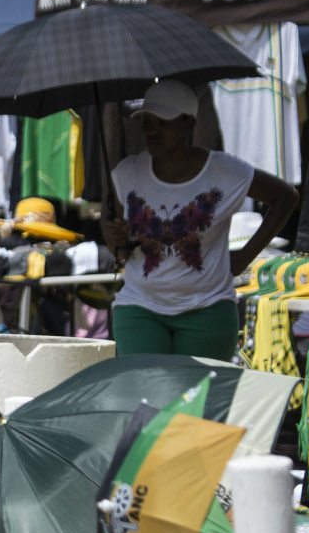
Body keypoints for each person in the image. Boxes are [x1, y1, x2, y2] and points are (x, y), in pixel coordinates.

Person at [102, 80, 298, 361]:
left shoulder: (223, 171)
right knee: (146, 401)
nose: (151, 130)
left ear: (188, 123)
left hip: (208, 310)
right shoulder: (126, 173)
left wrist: (244, 258)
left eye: (163, 122)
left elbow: (286, 197)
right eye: (146, 121)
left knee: (197, 404)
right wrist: (115, 238)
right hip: (140, 308)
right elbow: (120, 248)